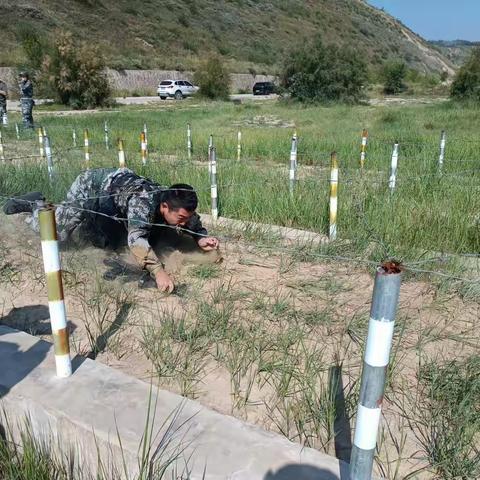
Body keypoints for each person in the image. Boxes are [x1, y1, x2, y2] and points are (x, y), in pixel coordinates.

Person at [3, 168, 219, 292]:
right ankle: (35, 206)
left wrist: (200, 236)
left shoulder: (173, 199)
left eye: (186, 218)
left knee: (119, 238)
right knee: (57, 234)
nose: (183, 222)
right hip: (91, 187)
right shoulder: (142, 203)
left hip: (115, 196)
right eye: (180, 218)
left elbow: (190, 217)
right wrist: (158, 272)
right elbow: (136, 240)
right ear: (164, 207)